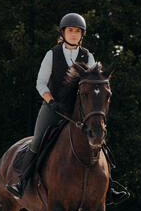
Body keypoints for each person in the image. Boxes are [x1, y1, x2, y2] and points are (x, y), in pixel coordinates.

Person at [6, 12, 95, 199]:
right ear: (63, 33)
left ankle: (108, 187)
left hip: (78, 112)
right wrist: (51, 101)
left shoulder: (88, 57)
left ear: (82, 35)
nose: (73, 34)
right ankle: (22, 183)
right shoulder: (52, 54)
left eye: (77, 31)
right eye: (70, 30)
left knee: (98, 140)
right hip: (54, 108)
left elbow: (94, 85)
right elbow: (41, 83)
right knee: (37, 141)